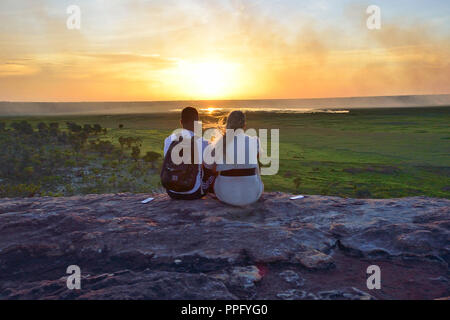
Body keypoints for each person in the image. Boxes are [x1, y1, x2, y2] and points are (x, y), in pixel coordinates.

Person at [162, 107, 216, 200]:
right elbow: (209, 166)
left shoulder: (168, 140)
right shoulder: (202, 142)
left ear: (181, 121)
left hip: (171, 191)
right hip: (194, 193)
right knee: (211, 172)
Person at [212, 110, 264, 206]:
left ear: (227, 124)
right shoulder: (255, 140)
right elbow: (257, 158)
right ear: (244, 125)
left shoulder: (220, 143)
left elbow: (212, 168)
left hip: (225, 195)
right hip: (252, 195)